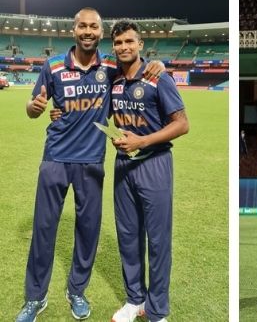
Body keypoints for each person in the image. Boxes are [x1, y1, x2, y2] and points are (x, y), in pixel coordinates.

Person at [16, 8, 164, 322]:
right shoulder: (53, 65)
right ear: (74, 30)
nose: (88, 31)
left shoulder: (111, 64)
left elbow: (137, 69)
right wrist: (36, 106)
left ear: (100, 32)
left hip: (92, 162)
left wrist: (158, 64)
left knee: (87, 232)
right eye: (82, 26)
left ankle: (76, 291)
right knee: (44, 230)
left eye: (93, 27)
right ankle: (34, 298)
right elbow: (32, 108)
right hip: (55, 158)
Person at [107, 21, 189, 322]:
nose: (124, 47)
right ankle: (134, 300)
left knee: (157, 240)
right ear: (113, 46)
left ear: (140, 44)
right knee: (128, 236)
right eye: (118, 43)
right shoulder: (113, 80)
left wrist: (143, 140)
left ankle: (156, 310)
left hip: (154, 163)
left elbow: (182, 124)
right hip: (123, 166)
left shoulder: (157, 77)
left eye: (130, 41)